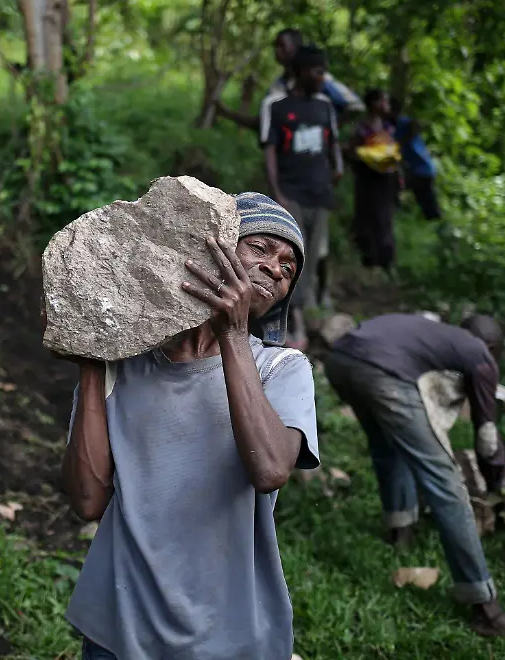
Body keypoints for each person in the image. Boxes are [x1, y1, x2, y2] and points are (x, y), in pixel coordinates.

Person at [60, 192, 320, 660]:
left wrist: (233, 333)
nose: (276, 269)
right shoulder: (123, 367)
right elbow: (87, 501)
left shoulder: (281, 369)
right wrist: (91, 364)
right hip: (118, 621)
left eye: (289, 267)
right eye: (260, 248)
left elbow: (271, 470)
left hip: (227, 630)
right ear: (212, 246)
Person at [323, 312, 505, 641]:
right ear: (494, 347)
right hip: (383, 372)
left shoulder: (437, 335)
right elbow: (486, 437)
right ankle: (485, 608)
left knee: (387, 446)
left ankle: (401, 531)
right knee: (446, 485)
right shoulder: (481, 356)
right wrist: (497, 482)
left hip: (340, 360)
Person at [260, 44, 343, 348]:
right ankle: (293, 325)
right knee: (292, 257)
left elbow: (333, 140)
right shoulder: (277, 106)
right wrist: (277, 191)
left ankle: (309, 316)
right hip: (291, 192)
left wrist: (338, 168)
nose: (321, 77)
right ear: (299, 73)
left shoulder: (324, 106)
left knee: (315, 255)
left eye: (323, 71)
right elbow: (269, 150)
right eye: (316, 71)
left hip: (319, 193)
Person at [214, 28, 364, 132]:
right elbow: (263, 124)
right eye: (275, 46)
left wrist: (326, 128)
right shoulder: (278, 87)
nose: (277, 51)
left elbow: (355, 106)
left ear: (296, 47)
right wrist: (228, 114)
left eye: (282, 46)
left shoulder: (318, 79)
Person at [348, 89, 400, 274]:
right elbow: (352, 151)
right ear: (374, 104)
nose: (386, 105)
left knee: (385, 218)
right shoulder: (362, 127)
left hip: (385, 179)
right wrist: (368, 156)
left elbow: (393, 153)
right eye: (383, 101)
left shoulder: (388, 127)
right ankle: (369, 258)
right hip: (367, 179)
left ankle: (386, 260)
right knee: (368, 216)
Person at [391, 97, 440, 221]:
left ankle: (395, 213)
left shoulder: (402, 122)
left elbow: (416, 124)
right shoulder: (391, 127)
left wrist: (402, 142)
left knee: (394, 184)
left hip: (422, 169)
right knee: (425, 201)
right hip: (417, 169)